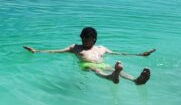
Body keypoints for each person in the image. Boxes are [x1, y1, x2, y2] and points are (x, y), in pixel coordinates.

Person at [23, 26, 155, 85]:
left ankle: (135, 80)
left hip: (102, 63)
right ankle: (110, 78)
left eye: (89, 39)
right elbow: (57, 51)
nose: (85, 41)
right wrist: (37, 51)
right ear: (81, 38)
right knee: (95, 69)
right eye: (84, 38)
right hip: (87, 65)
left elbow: (119, 53)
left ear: (95, 39)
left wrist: (140, 55)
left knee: (114, 68)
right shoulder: (75, 48)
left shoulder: (101, 48)